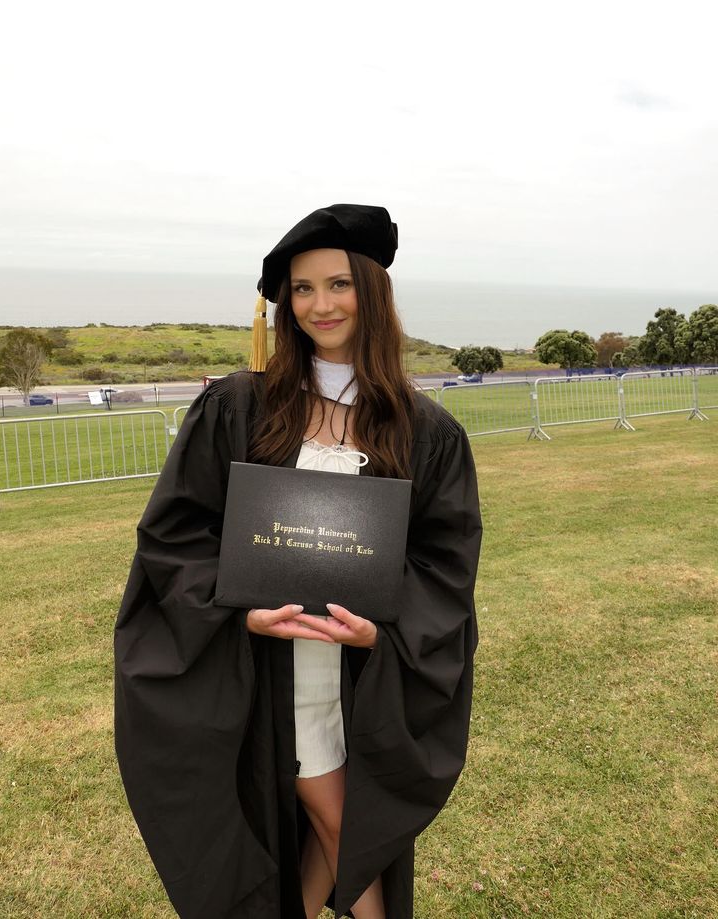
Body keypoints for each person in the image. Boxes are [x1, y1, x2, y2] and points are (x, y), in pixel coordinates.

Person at [114, 204, 482, 919]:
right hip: (269, 672)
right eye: (303, 289)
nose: (320, 304)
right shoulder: (240, 408)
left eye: (338, 285)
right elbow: (174, 534)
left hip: (359, 675)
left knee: (338, 832)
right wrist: (235, 605)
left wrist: (384, 632)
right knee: (343, 827)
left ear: (371, 293)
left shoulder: (424, 431)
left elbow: (446, 560)